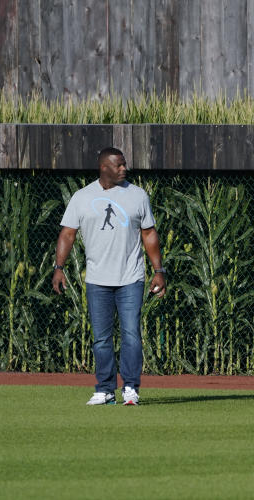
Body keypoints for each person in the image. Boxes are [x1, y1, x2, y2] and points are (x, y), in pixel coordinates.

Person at [52, 147, 167, 406]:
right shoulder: (82, 197)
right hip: (97, 280)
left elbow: (149, 234)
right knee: (101, 338)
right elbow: (67, 233)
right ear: (104, 168)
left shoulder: (137, 196)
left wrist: (159, 271)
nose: (124, 169)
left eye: (125, 164)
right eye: (119, 165)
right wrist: (59, 268)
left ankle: (130, 388)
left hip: (131, 278)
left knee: (131, 335)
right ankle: (104, 389)